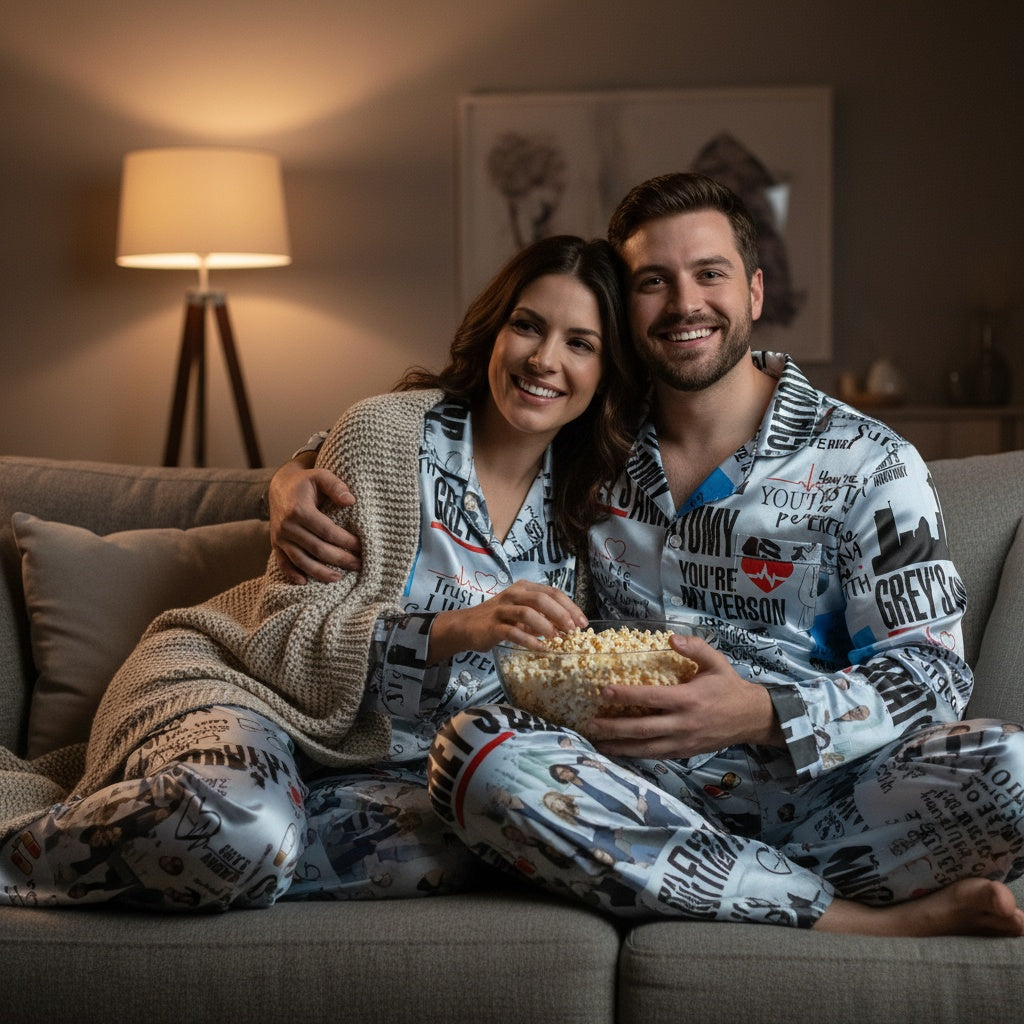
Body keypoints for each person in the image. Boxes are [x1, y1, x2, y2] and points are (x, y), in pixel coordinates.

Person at [267, 173, 1024, 937]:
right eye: (652, 282)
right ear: (624, 311)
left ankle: (685, 880)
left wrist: (762, 713)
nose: (684, 303)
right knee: (478, 752)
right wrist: (295, 474)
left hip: (817, 802)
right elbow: (446, 439)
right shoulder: (589, 437)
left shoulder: (871, 464)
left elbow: (933, 674)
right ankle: (855, 920)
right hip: (612, 789)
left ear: (756, 292)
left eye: (710, 274)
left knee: (1013, 770)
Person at [0, 234, 641, 910]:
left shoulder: (590, 511)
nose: (544, 359)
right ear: (494, 330)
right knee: (238, 830)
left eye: (581, 343)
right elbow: (286, 634)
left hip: (395, 771)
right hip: (248, 695)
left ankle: (241, 845)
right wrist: (456, 629)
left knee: (498, 841)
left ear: (607, 372)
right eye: (528, 325)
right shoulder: (384, 434)